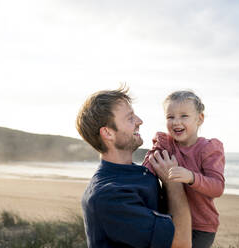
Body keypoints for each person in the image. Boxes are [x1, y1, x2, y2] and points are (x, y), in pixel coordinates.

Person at [76, 85, 192, 248]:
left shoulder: (139, 172)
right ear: (108, 133)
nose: (139, 121)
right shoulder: (108, 196)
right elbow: (181, 243)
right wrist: (173, 184)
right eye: (130, 118)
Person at [143, 90, 225, 248]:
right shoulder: (165, 143)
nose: (176, 122)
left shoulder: (208, 149)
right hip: (168, 218)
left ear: (199, 119)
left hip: (200, 226)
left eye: (184, 116)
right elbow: (148, 168)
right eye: (170, 117)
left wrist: (191, 177)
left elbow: (217, 187)